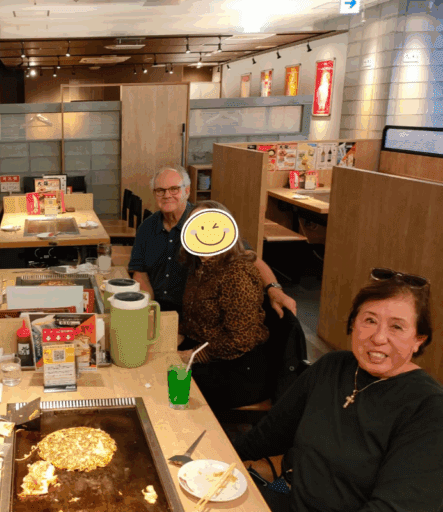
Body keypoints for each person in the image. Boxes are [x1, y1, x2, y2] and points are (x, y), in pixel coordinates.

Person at [233, 270, 443, 512]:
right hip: (288, 498)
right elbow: (269, 435)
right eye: (370, 320)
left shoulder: (428, 407)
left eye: (396, 326)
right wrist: (217, 458)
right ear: (353, 323)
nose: (378, 338)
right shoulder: (332, 366)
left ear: (418, 340)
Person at [128, 165, 297, 318]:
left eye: (174, 189)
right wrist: (148, 310)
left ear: (187, 190)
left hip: (198, 316)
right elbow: (140, 273)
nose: (166, 195)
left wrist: (274, 289)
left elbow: (247, 256)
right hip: (158, 310)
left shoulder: (205, 219)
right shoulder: (146, 227)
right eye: (160, 190)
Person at [177, 201, 271, 410]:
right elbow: (197, 318)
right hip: (207, 352)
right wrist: (178, 335)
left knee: (166, 383)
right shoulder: (200, 266)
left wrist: (190, 355)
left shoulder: (237, 274)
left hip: (237, 368)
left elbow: (240, 340)